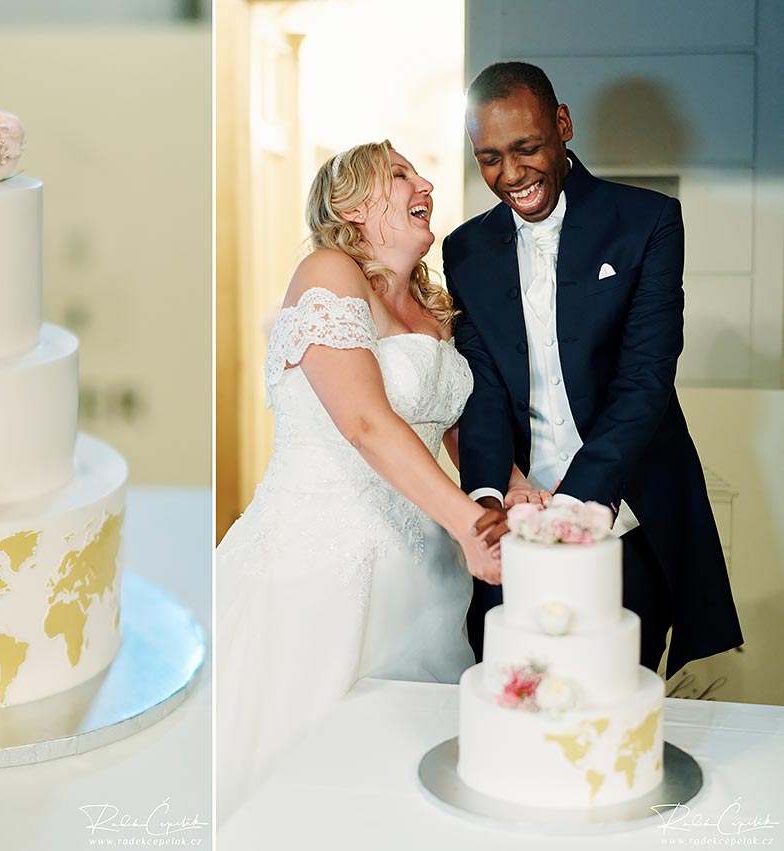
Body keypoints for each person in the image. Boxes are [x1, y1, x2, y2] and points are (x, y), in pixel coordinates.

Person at [216, 141, 523, 824]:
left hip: (426, 581)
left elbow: (460, 436)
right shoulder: (327, 272)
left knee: (401, 788)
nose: (427, 184)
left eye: (420, 173)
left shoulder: (435, 308)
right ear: (352, 208)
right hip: (318, 569)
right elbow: (364, 420)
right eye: (401, 175)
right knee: (306, 783)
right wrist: (470, 523)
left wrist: (521, 496)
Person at [443, 61, 743, 676]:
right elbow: (484, 389)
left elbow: (645, 379)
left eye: (526, 148)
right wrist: (490, 494)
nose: (511, 174)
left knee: (610, 691)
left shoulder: (648, 222)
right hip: (518, 514)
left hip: (624, 511)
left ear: (563, 125)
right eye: (490, 157)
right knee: (514, 687)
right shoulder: (465, 250)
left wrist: (577, 502)